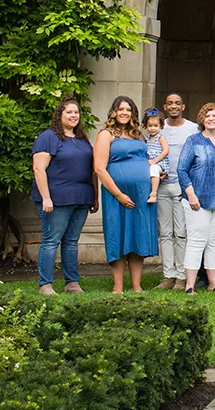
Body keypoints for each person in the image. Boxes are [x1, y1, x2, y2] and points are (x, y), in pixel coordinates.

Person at [31, 95, 97, 296]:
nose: (74, 115)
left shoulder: (82, 140)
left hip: (81, 198)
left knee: (71, 242)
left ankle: (72, 283)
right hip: (56, 199)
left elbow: (92, 170)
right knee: (51, 241)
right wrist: (46, 197)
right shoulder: (49, 137)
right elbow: (38, 169)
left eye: (76, 112)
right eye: (69, 112)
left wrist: (95, 197)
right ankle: (45, 285)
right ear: (60, 115)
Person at [93, 95, 159, 294]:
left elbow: (145, 160)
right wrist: (119, 194)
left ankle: (137, 286)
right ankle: (118, 286)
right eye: (121, 109)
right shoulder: (106, 135)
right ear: (113, 112)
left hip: (142, 194)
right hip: (117, 196)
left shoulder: (138, 135)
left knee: (138, 236)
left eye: (128, 110)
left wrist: (155, 173)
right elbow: (99, 169)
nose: (124, 113)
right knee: (118, 235)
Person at [176, 103, 215, 294]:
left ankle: (214, 284)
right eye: (208, 116)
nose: (211, 119)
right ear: (202, 120)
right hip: (198, 201)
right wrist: (191, 194)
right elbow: (182, 169)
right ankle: (189, 285)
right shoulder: (193, 141)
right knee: (197, 241)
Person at [156, 93, 197, 290]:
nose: (174, 106)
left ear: (183, 107)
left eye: (177, 103)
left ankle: (181, 276)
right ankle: (168, 275)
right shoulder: (158, 127)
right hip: (162, 185)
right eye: (170, 103)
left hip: (182, 186)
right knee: (165, 233)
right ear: (165, 107)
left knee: (181, 233)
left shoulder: (192, 128)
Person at [143, 108, 171, 205]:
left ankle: (153, 193)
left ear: (160, 126)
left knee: (154, 169)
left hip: (159, 162)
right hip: (150, 162)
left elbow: (166, 151)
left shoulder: (160, 137)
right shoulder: (147, 139)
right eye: (150, 126)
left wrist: (155, 160)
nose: (153, 128)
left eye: (155, 126)